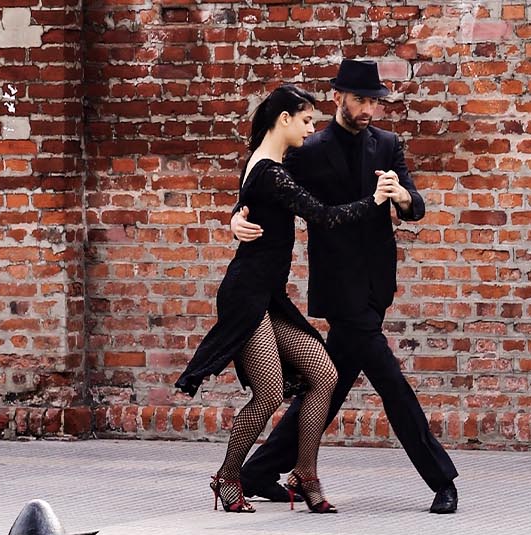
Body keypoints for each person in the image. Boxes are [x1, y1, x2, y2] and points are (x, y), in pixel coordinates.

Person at [231, 59, 460, 514]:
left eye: (375, 100)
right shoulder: (309, 148)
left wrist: (404, 198)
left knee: (328, 385)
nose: (369, 109)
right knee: (391, 382)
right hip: (340, 288)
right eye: (361, 99)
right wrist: (237, 215)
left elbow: (417, 206)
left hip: (377, 285)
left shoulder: (388, 145)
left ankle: (257, 471)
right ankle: (441, 479)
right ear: (339, 97)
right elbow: (264, 178)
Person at [174, 84, 398, 514]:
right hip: (247, 295)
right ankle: (227, 477)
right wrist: (374, 201)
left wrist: (234, 218)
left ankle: (304, 473)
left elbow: (246, 203)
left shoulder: (267, 162)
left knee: (323, 375)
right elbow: (325, 216)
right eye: (307, 120)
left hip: (267, 295)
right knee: (269, 392)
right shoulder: (271, 172)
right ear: (285, 120)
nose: (312, 129)